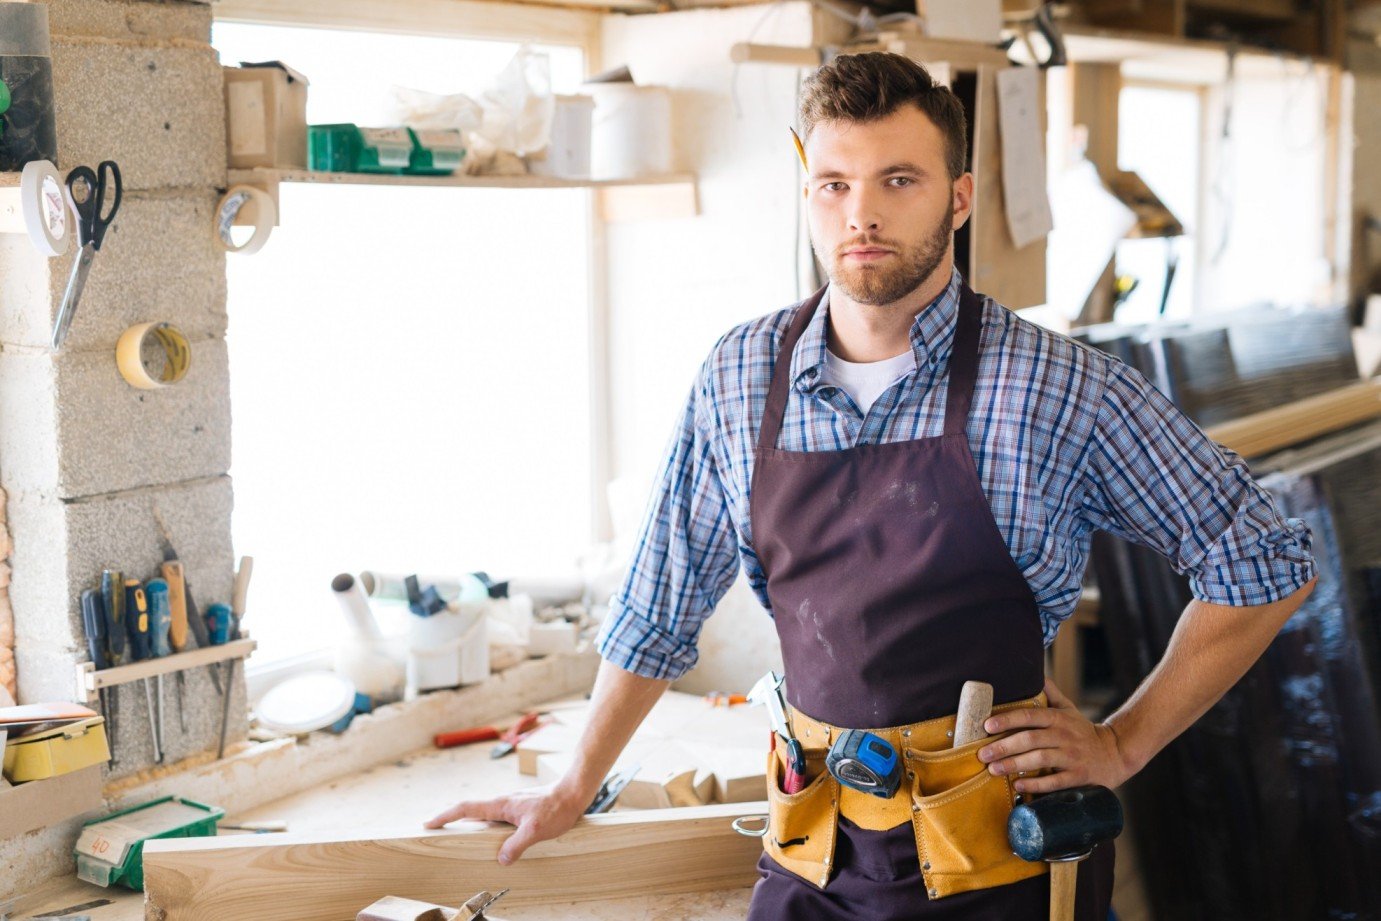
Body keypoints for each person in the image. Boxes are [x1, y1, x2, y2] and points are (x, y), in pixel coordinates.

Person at [426, 52, 1318, 920]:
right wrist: (573, 782)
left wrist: (1121, 741)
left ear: (958, 197)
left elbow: (1264, 559)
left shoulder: (1054, 386)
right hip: (812, 849)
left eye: (899, 180)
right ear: (807, 192)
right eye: (834, 183)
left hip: (999, 859)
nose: (861, 214)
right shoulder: (739, 375)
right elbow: (658, 603)